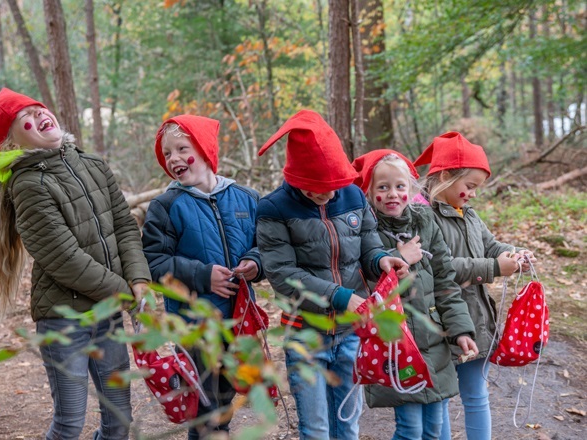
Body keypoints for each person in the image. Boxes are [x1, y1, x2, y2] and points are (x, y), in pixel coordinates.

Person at [0, 88, 151, 439]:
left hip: (108, 313)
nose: (39, 115)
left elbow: (125, 227)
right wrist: (126, 295)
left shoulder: (93, 164)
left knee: (119, 422)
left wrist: (139, 279)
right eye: (26, 119)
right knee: (69, 423)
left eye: (38, 108)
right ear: (13, 144)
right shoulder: (29, 185)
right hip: (64, 320)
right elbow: (64, 258)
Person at [255, 110, 408, 440]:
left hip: (353, 332)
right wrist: (340, 297)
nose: (326, 196)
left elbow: (368, 246)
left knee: (348, 425)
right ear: (297, 180)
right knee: (317, 428)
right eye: (315, 190)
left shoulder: (352, 195)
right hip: (306, 335)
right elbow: (283, 275)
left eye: (331, 188)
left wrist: (382, 259)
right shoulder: (274, 209)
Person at [142, 115, 263, 439]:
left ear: (206, 149)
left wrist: (254, 263)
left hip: (238, 321)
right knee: (203, 410)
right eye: (168, 154)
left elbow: (266, 246)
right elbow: (153, 262)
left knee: (224, 403)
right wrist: (201, 275)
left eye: (183, 148)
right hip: (194, 325)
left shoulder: (246, 199)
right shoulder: (166, 206)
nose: (174, 159)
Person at [413, 132, 538, 440]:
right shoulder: (422, 217)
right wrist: (494, 268)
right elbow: (436, 268)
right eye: (469, 186)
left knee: (476, 395)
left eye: (476, 188)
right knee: (440, 398)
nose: (473, 194)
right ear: (443, 177)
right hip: (437, 323)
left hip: (474, 320)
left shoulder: (469, 216)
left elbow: (491, 246)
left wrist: (514, 253)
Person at [352, 149, 478, 439]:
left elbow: (446, 281)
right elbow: (365, 279)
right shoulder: (364, 230)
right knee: (410, 429)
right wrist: (399, 258)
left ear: (411, 188)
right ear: (369, 192)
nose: (392, 194)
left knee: (434, 429)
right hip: (395, 344)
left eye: (399, 186)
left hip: (433, 338)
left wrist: (460, 330)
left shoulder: (425, 221)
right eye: (382, 187)